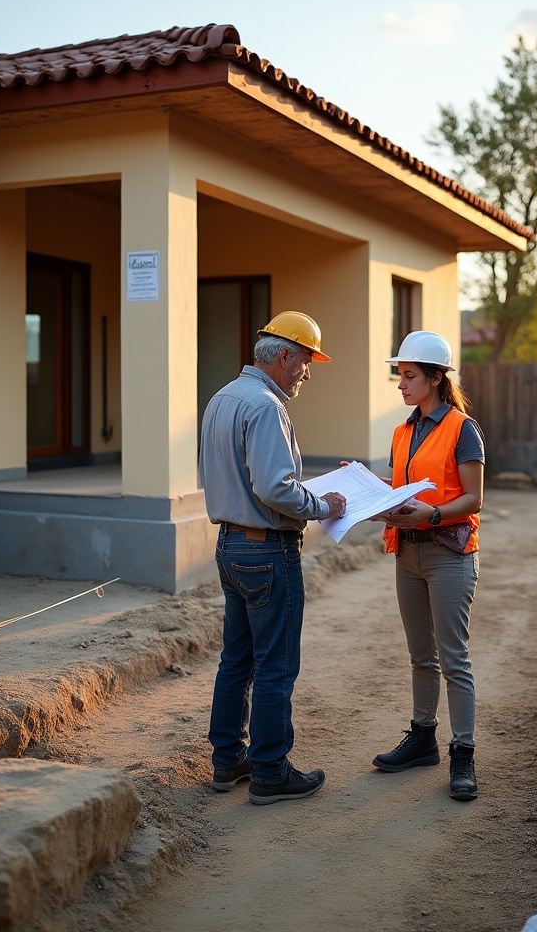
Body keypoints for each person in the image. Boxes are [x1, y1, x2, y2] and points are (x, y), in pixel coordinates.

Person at [199, 310, 346, 805]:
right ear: (284, 356)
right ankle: (269, 771)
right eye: (306, 361)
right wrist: (324, 506)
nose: (307, 372)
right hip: (268, 551)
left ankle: (228, 761)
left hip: (230, 547)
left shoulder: (223, 397)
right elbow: (274, 488)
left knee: (236, 661)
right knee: (276, 666)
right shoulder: (265, 407)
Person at [372, 331, 484, 801]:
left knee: (453, 658)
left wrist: (432, 514)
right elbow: (403, 487)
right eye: (400, 374)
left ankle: (463, 753)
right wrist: (364, 488)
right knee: (421, 656)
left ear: (436, 378)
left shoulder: (463, 429)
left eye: (409, 375)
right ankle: (422, 739)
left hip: (448, 554)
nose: (401, 382)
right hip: (408, 553)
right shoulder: (402, 431)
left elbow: (474, 498)